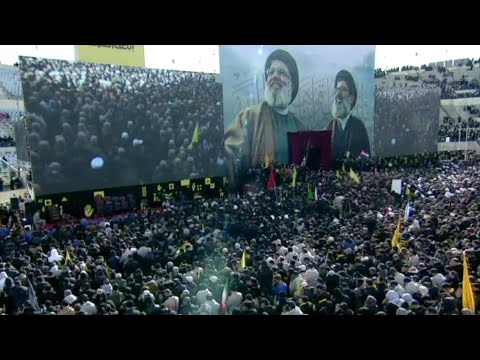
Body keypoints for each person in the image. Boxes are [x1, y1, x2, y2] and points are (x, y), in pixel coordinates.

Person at [224, 49, 304, 185]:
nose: (274, 76)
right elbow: (230, 160)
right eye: (271, 72)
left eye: (282, 73)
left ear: (293, 85)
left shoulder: (300, 127)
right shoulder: (248, 118)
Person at [327, 70, 370, 160]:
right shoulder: (329, 127)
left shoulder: (359, 127)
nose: (338, 96)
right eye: (337, 89)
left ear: (351, 97)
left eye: (343, 90)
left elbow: (366, 154)